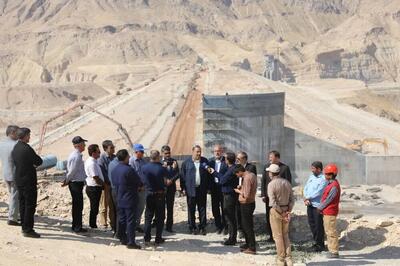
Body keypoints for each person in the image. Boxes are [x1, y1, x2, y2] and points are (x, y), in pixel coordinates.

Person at [11, 127, 43, 238]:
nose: (29, 137)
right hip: (28, 181)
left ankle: (24, 227)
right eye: (29, 135)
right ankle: (28, 229)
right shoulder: (26, 148)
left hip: (19, 179)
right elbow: (39, 161)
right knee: (30, 205)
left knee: (23, 204)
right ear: (24, 136)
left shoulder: (15, 147)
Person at [112, 149, 142, 249]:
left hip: (119, 197)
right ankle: (131, 242)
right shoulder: (129, 170)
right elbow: (138, 182)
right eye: (128, 156)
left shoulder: (115, 169)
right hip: (130, 198)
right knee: (130, 221)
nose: (129, 158)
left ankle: (122, 238)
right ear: (125, 157)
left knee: (122, 219)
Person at [261, 150, 292, 242]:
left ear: (277, 157)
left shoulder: (284, 168)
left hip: (281, 198)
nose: (269, 158)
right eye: (269, 157)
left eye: (271, 157)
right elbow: (263, 181)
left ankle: (281, 237)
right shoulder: (266, 167)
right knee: (269, 216)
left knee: (282, 217)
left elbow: (288, 183)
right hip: (269, 197)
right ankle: (271, 236)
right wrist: (263, 194)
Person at [267, 164, 294, 266]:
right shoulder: (286, 182)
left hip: (276, 211)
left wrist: (281, 212)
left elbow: (273, 202)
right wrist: (288, 211)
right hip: (286, 209)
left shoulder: (271, 184)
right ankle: (289, 258)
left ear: (271, 173)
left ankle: (281, 259)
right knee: (285, 235)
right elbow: (292, 199)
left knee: (277, 236)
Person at [209, 152, 238, 245]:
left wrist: (214, 172)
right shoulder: (232, 168)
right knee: (229, 216)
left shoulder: (231, 169)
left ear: (227, 160)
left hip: (229, 195)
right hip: (227, 194)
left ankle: (232, 238)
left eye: (225, 159)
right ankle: (231, 236)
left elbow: (222, 180)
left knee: (230, 217)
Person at [181, 145, 210, 235]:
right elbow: (182, 176)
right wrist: (183, 188)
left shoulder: (205, 161)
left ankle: (202, 227)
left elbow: (209, 175)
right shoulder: (186, 163)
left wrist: (208, 187)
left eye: (200, 152)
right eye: (197, 152)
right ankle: (192, 226)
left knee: (202, 208)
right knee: (191, 209)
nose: (199, 153)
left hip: (201, 189)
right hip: (191, 190)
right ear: (192, 152)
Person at [62, 136, 88, 233]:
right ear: (79, 145)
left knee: (77, 205)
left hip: (76, 182)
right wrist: (67, 180)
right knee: (78, 205)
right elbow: (72, 171)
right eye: (83, 144)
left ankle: (76, 225)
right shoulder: (76, 156)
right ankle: (77, 226)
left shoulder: (76, 155)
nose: (84, 146)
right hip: (75, 183)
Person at [142, 150, 168, 245]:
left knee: (148, 217)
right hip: (159, 195)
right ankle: (158, 238)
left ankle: (147, 238)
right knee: (160, 217)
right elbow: (166, 181)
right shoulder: (161, 168)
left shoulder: (144, 167)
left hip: (148, 193)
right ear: (158, 157)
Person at [303, 161, 328, 252]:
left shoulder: (324, 179)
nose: (312, 170)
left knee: (318, 225)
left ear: (319, 169)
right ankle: (316, 242)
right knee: (312, 224)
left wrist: (308, 197)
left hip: (317, 206)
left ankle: (320, 245)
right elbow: (306, 187)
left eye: (313, 168)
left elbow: (319, 192)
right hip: (309, 204)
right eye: (311, 168)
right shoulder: (311, 176)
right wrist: (305, 197)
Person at [318, 163, 341, 259]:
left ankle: (334, 251)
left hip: (330, 212)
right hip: (327, 211)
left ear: (331, 174)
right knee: (328, 231)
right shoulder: (331, 184)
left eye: (326, 174)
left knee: (331, 231)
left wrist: (320, 207)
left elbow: (329, 199)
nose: (325, 175)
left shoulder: (334, 186)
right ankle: (331, 250)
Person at [233, 164, 257, 255]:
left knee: (247, 226)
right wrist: (242, 187)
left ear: (240, 172)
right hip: (250, 203)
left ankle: (252, 247)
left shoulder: (246, 178)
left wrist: (238, 191)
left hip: (246, 204)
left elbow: (246, 195)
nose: (237, 176)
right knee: (246, 225)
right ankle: (248, 244)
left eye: (237, 174)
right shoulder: (252, 175)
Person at [0, 125, 20, 226]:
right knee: (15, 196)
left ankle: (16, 215)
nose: (19, 134)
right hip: (15, 174)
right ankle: (12, 218)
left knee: (12, 195)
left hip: (5, 173)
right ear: (12, 133)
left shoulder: (1, 144)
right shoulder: (16, 145)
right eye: (17, 132)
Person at [236, 151, 257, 238]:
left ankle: (248, 235)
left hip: (247, 195)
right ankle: (240, 230)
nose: (237, 160)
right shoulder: (237, 167)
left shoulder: (251, 167)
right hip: (239, 193)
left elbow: (250, 180)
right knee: (238, 213)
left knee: (247, 217)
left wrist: (242, 187)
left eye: (239, 159)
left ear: (244, 159)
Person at [208, 144, 228, 234]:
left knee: (224, 208)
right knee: (215, 208)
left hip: (223, 188)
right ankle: (218, 226)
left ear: (222, 151)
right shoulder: (210, 162)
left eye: (219, 151)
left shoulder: (226, 161)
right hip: (214, 188)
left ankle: (225, 226)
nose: (217, 152)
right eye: (215, 151)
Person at [84, 144, 104, 229]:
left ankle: (92, 224)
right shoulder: (91, 163)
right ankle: (92, 225)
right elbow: (95, 177)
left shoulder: (93, 161)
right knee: (94, 207)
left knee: (94, 206)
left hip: (94, 187)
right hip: (94, 188)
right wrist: (104, 185)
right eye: (98, 152)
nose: (100, 153)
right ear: (93, 153)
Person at [98, 140, 116, 231]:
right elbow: (102, 172)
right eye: (111, 148)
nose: (113, 149)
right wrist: (106, 183)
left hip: (113, 185)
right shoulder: (101, 159)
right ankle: (103, 224)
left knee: (113, 206)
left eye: (113, 147)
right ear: (105, 149)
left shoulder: (115, 157)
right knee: (104, 205)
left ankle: (113, 224)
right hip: (106, 185)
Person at [161, 145, 180, 233]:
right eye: (166, 153)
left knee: (170, 207)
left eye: (169, 153)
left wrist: (171, 180)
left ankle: (169, 226)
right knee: (160, 208)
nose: (168, 155)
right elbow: (158, 174)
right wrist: (163, 168)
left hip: (171, 187)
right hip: (161, 188)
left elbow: (177, 174)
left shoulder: (174, 161)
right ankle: (159, 224)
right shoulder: (159, 162)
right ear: (162, 153)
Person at [129, 143, 147, 233]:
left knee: (141, 207)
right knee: (133, 207)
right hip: (134, 189)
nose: (143, 153)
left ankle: (137, 224)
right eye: (141, 151)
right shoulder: (131, 161)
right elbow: (131, 176)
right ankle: (132, 225)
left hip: (143, 188)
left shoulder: (143, 161)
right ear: (136, 152)